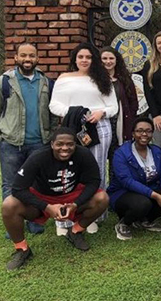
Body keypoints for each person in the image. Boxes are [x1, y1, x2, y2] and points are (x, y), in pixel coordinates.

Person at [1, 127, 109, 270]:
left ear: (75, 144)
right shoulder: (38, 157)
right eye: (60, 144)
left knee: (102, 198)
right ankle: (22, 250)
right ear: (52, 144)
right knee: (9, 204)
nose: (65, 148)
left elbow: (94, 182)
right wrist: (46, 206)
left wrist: (76, 204)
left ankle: (75, 232)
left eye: (69, 144)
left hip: (71, 196)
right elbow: (18, 188)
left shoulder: (83, 154)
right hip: (43, 198)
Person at [0, 43, 52, 237]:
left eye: (31, 55)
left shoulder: (46, 82)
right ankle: (13, 222)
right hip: (10, 143)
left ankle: (34, 220)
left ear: (38, 58)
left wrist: (50, 136)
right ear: (16, 58)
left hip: (39, 142)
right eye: (23, 55)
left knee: (36, 184)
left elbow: (53, 113)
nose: (27, 59)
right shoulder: (4, 82)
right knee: (11, 184)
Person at [49, 43, 118, 232]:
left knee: (96, 169)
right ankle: (65, 219)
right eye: (81, 57)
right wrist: (76, 112)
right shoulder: (64, 79)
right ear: (75, 59)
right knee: (68, 172)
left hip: (99, 127)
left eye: (88, 57)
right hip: (72, 127)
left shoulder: (102, 79)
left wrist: (100, 112)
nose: (84, 60)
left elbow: (113, 107)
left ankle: (92, 216)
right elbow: (54, 105)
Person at [108, 118, 161, 240]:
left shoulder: (156, 151)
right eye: (139, 131)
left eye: (148, 131)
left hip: (149, 190)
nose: (144, 134)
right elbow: (127, 181)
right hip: (124, 193)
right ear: (133, 133)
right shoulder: (121, 153)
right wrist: (156, 196)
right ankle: (124, 223)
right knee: (142, 203)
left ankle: (144, 220)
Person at [101, 47, 139, 147]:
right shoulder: (94, 80)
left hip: (121, 123)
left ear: (116, 60)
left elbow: (133, 102)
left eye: (111, 58)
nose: (108, 61)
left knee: (117, 155)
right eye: (104, 58)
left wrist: (130, 119)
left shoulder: (125, 79)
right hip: (101, 122)